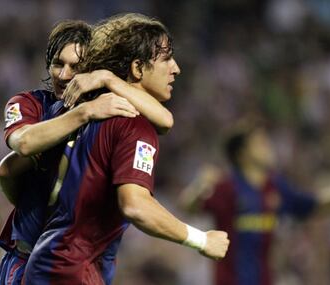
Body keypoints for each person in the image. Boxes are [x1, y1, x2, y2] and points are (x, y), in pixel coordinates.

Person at [24, 13, 229, 284]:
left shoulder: (93, 111)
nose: (176, 68)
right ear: (137, 68)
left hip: (54, 260)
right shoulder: (133, 124)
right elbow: (135, 206)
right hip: (71, 268)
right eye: (166, 58)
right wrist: (201, 239)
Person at [0, 19, 175, 285]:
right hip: (27, 256)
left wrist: (108, 79)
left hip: (80, 262)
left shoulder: (107, 107)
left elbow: (165, 119)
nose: (65, 75)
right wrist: (84, 113)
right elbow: (21, 146)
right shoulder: (30, 104)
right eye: (58, 63)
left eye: (76, 67)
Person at [180, 124, 330, 285]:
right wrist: (199, 186)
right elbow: (188, 207)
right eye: (260, 143)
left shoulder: (275, 187)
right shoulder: (227, 187)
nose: (269, 148)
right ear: (242, 153)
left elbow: (315, 207)